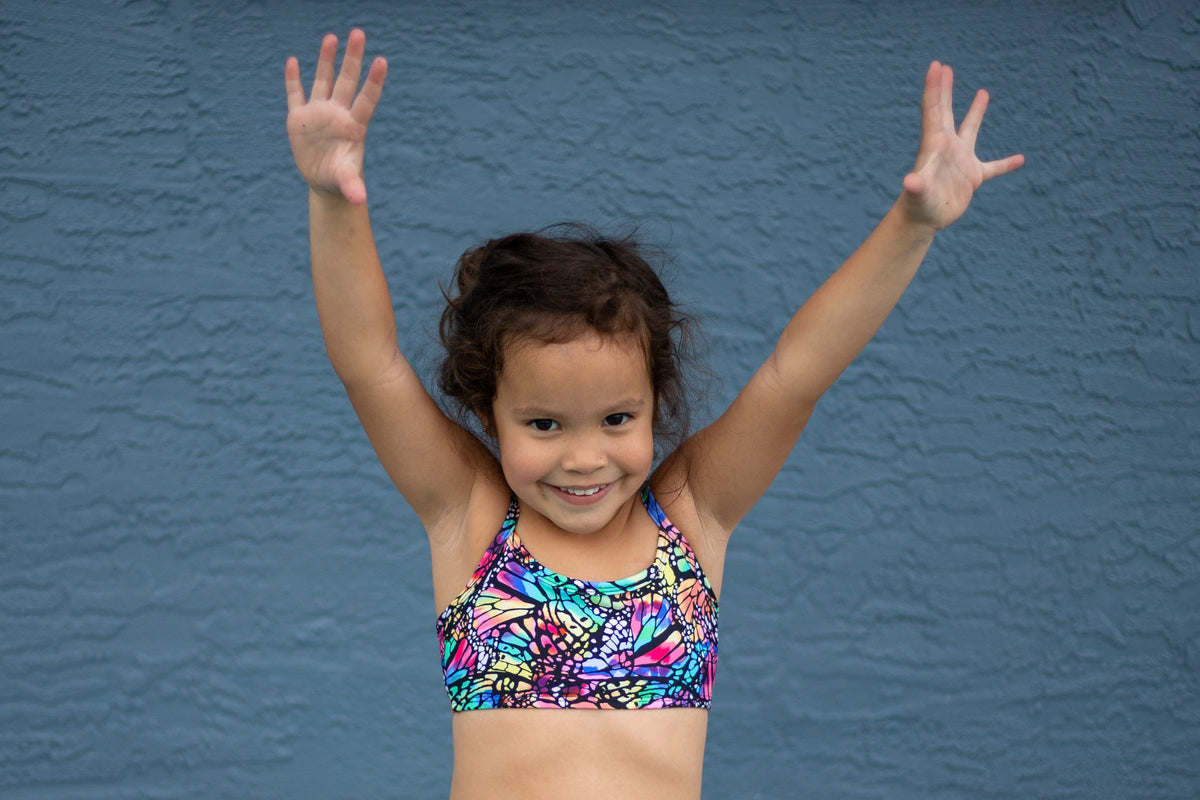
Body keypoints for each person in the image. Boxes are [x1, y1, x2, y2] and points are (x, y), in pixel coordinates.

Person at [283, 28, 1023, 800]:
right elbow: (370, 364)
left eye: (615, 420)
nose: (584, 458)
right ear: (486, 412)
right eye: (544, 425)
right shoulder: (470, 517)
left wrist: (913, 226)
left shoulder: (691, 516)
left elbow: (796, 373)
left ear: (655, 405)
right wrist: (331, 198)